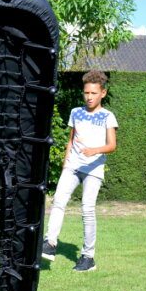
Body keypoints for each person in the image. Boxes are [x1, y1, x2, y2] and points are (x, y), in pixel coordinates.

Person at [41, 70, 118, 272]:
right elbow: (71, 139)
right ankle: (50, 243)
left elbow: (112, 145)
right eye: (86, 93)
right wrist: (66, 163)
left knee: (87, 209)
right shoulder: (76, 112)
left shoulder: (108, 116)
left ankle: (88, 257)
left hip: (93, 169)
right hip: (73, 166)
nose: (89, 97)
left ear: (103, 93)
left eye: (93, 93)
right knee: (58, 200)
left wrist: (94, 150)